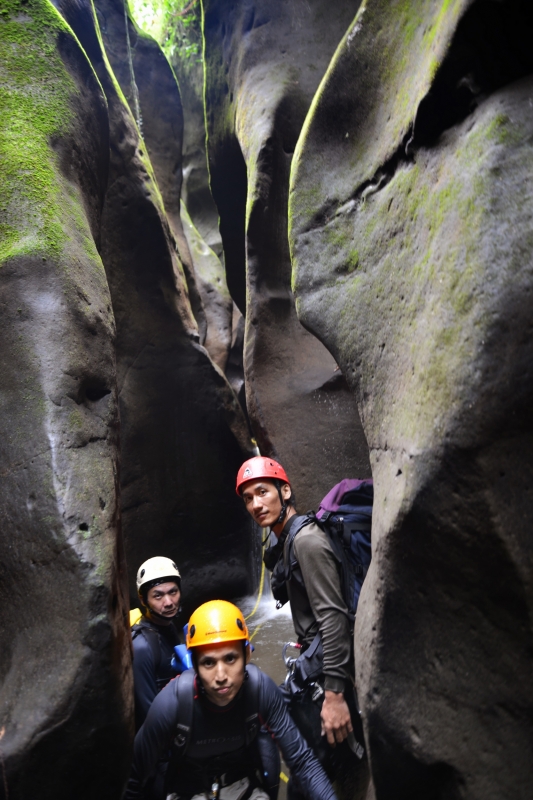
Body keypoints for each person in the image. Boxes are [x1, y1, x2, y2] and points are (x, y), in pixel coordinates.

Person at [236, 457, 368, 800]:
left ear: (285, 491)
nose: (256, 504)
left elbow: (334, 619)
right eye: (248, 498)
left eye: (263, 492)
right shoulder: (288, 541)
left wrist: (335, 695)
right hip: (317, 668)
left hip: (329, 678)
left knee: (310, 778)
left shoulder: (306, 541)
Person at [125, 600, 338, 800]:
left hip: (243, 788)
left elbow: (301, 761)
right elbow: (135, 779)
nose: (221, 676)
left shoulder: (261, 690)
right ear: (195, 664)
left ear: (247, 655)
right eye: (208, 662)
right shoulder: (172, 703)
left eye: (230, 658)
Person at [133, 556, 184, 731]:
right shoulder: (142, 646)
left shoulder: (167, 628)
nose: (169, 602)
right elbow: (148, 714)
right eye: (158, 595)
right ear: (142, 600)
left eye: (173, 592)